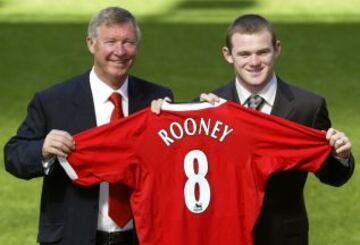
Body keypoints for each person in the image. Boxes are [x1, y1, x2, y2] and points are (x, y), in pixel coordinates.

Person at [4, 6, 173, 245]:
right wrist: (42, 148)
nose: (120, 51)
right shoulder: (53, 101)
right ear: (91, 44)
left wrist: (203, 107)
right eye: (111, 41)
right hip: (75, 237)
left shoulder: (157, 98)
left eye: (128, 42)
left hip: (141, 237)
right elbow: (13, 156)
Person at [196, 14, 355, 245]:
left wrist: (340, 157)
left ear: (277, 49)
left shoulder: (307, 107)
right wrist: (164, 113)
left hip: (284, 237)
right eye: (244, 54)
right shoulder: (205, 107)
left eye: (262, 52)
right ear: (227, 55)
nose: (254, 62)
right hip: (223, 235)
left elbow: (331, 176)